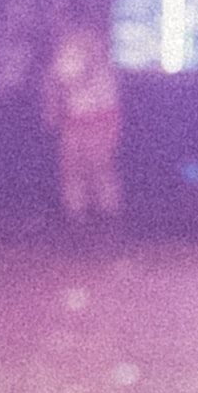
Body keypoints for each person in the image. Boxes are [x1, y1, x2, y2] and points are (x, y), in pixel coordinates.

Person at [41, 21, 125, 236]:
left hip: (99, 116)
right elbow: (59, 79)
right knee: (74, 170)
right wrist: (52, 106)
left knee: (99, 168)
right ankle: (79, 217)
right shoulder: (67, 45)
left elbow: (74, 75)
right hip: (76, 117)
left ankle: (106, 217)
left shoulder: (92, 43)